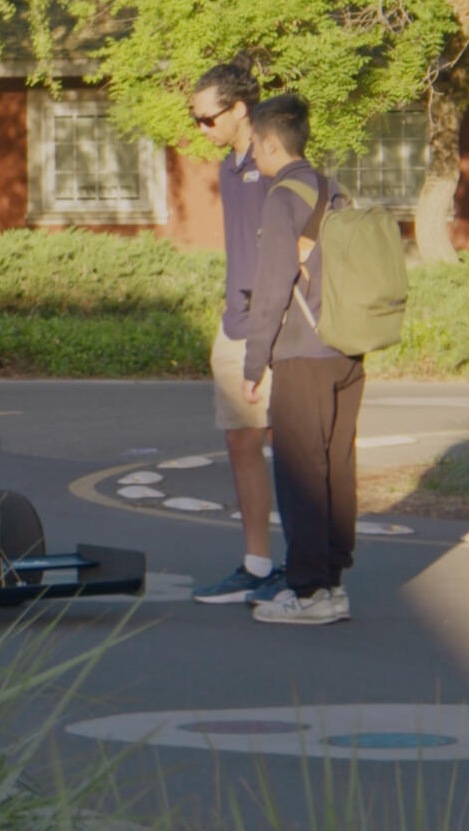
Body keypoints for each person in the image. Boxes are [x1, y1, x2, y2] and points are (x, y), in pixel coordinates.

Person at [239, 94, 365, 627]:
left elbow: (270, 290)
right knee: (336, 467)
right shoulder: (335, 192)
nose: (253, 158)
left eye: (255, 147)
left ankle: (307, 591)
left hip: (302, 354)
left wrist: (254, 363)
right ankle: (332, 584)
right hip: (347, 349)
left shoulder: (280, 198)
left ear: (270, 143)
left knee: (300, 472)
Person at [184, 65, 285, 607]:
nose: (202, 128)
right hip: (234, 324)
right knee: (240, 440)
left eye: (207, 118)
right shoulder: (229, 168)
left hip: (274, 324)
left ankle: (307, 570)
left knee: (288, 444)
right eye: (195, 119)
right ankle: (256, 565)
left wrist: (271, 328)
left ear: (240, 108)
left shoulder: (278, 164)